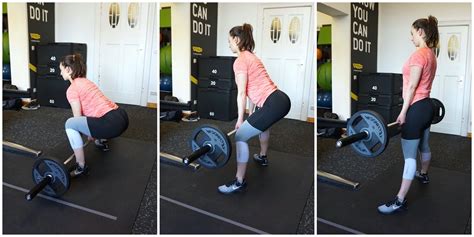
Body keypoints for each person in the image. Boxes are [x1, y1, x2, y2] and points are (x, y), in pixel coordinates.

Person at [218, 23, 291, 194]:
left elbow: (242, 92)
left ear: (236, 39)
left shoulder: (239, 61)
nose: (229, 44)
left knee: (241, 136)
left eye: (229, 40)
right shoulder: (252, 57)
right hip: (280, 99)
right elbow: (253, 89)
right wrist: (251, 113)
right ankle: (262, 156)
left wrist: (240, 120)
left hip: (272, 103)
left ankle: (238, 181)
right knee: (262, 124)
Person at [378, 16, 439, 214]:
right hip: (428, 106)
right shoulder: (431, 54)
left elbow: (412, 86)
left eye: (412, 33)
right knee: (425, 144)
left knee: (409, 156)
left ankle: (399, 200)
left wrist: (403, 113)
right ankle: (424, 174)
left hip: (416, 108)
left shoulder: (418, 55)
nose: (410, 38)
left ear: (420, 32)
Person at [60, 54, 129, 178]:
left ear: (68, 70)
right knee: (96, 114)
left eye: (61, 70)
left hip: (111, 125)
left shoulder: (72, 89)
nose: (60, 73)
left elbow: (77, 118)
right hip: (122, 116)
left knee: (70, 124)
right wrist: (91, 133)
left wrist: (88, 133)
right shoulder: (87, 82)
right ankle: (101, 139)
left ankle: (81, 166)